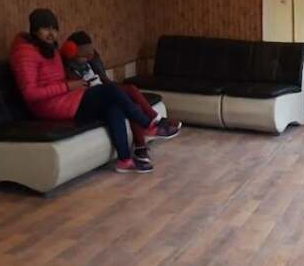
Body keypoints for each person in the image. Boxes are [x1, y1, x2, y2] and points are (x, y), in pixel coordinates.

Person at [10, 9, 179, 174]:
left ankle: (125, 160)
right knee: (111, 91)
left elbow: (62, 73)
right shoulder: (25, 53)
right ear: (34, 30)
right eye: (46, 29)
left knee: (113, 106)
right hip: (48, 107)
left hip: (65, 100)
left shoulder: (51, 50)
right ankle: (147, 124)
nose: (51, 34)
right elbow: (30, 93)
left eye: (54, 29)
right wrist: (68, 86)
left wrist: (75, 84)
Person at [61, 30, 182, 164]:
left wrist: (115, 88)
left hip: (105, 91)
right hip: (91, 98)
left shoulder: (91, 62)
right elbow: (78, 93)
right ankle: (152, 123)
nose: (88, 58)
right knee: (128, 96)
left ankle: (141, 146)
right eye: (84, 56)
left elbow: (104, 79)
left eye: (90, 54)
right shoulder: (67, 70)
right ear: (71, 53)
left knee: (131, 97)